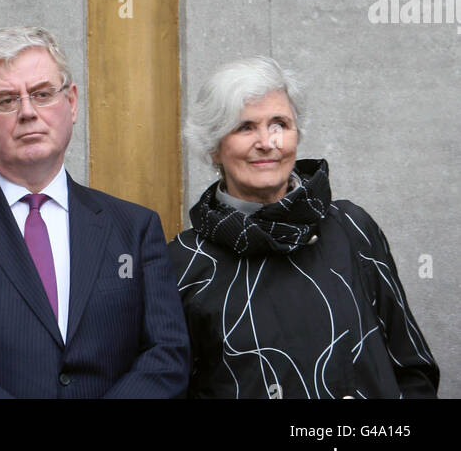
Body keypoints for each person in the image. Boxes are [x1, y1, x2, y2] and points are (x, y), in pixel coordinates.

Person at [0, 26, 190, 399]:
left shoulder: (134, 227)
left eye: (42, 94)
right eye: (5, 100)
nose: (28, 112)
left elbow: (167, 356)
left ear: (73, 102)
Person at [168, 56, 439, 400]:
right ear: (213, 147)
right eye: (245, 127)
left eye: (279, 123)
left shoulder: (353, 228)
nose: (267, 142)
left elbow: (413, 367)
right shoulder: (184, 262)